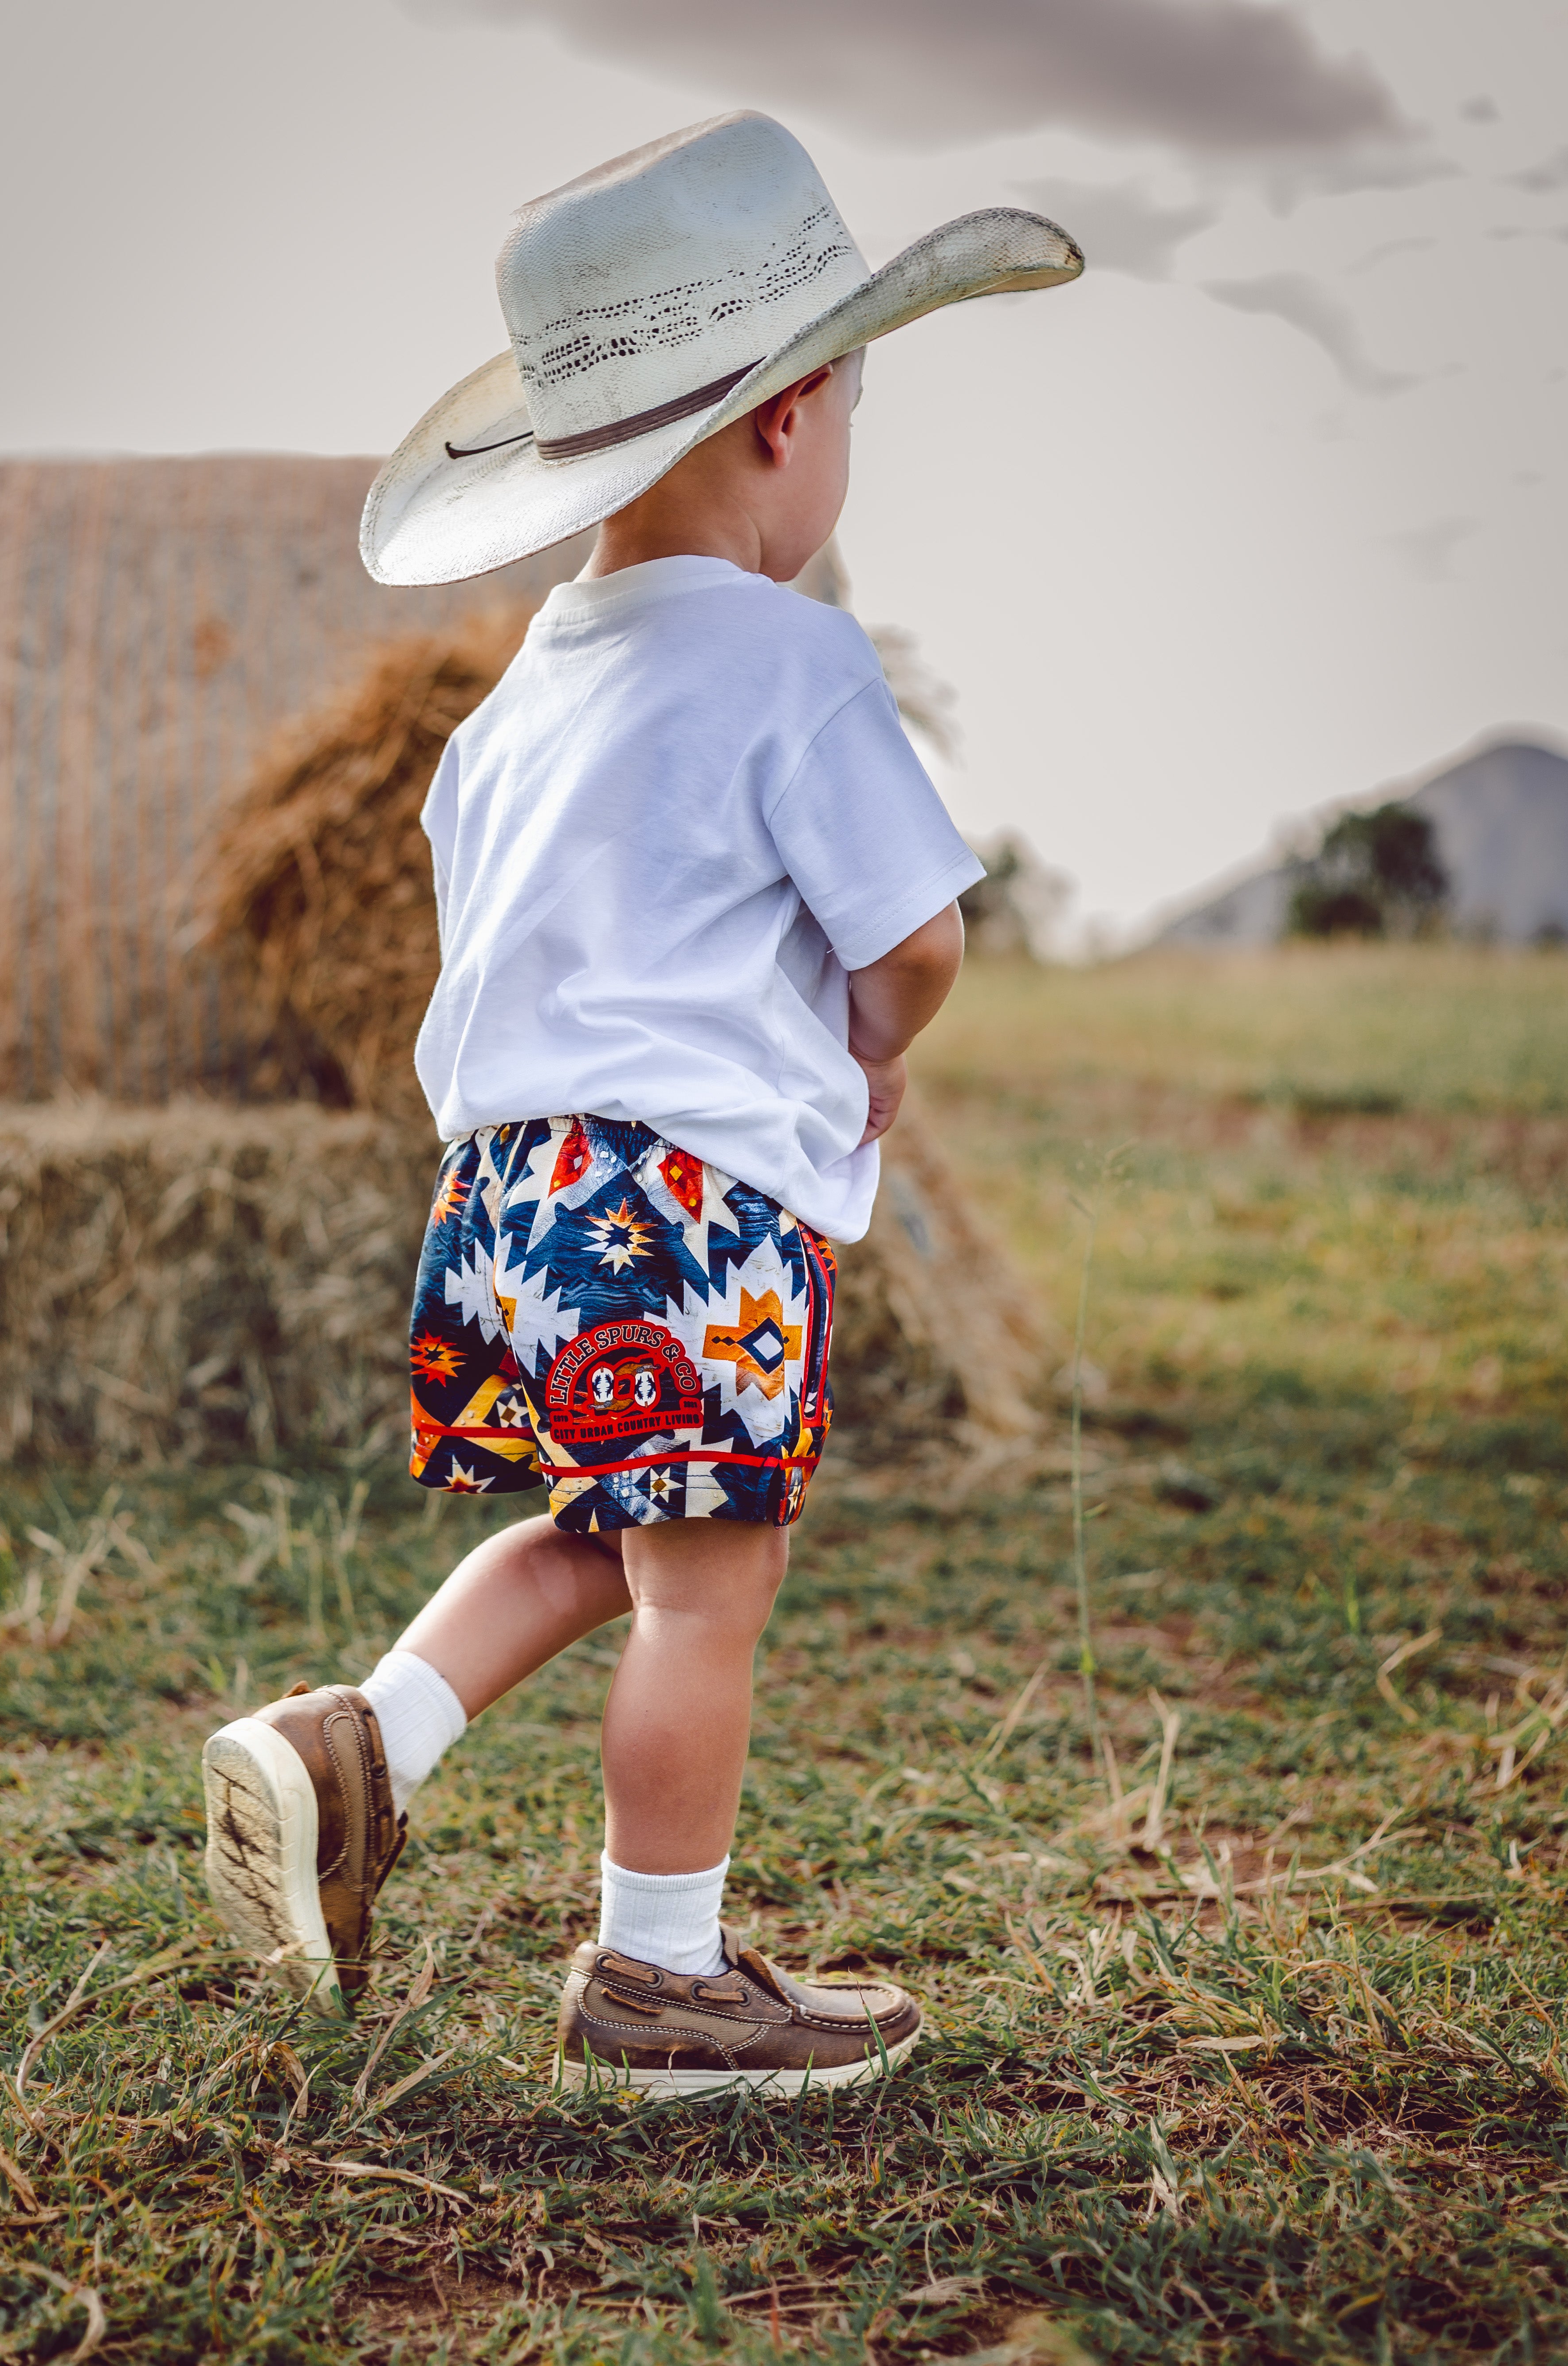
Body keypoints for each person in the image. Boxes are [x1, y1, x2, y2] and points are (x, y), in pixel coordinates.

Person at [201, 112, 1081, 2096]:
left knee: (609, 1531)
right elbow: (916, 937)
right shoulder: (788, 655)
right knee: (710, 1587)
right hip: (681, 1203)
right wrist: (870, 1041)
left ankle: (361, 1740)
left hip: (508, 1196)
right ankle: (659, 1981)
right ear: (786, 419)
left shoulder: (512, 705)